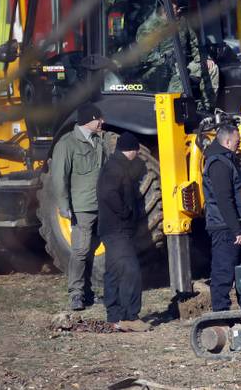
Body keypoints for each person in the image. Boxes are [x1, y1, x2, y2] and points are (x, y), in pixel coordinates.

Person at [50, 104, 106, 311]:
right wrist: (64, 205)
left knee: (91, 249)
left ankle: (88, 293)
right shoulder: (66, 144)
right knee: (80, 250)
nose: (102, 122)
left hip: (100, 205)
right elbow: (59, 178)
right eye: (99, 118)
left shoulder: (99, 142)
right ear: (88, 120)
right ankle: (75, 294)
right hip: (81, 207)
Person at [97, 132, 150, 332]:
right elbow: (108, 194)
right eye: (136, 150)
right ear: (132, 150)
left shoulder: (117, 166)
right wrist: (126, 212)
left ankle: (114, 317)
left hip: (113, 230)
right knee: (131, 271)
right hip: (117, 229)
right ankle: (129, 317)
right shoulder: (115, 168)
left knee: (113, 272)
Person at [202, 123, 241, 312]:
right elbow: (224, 199)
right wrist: (236, 230)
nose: (239, 145)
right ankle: (220, 312)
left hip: (235, 224)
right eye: (237, 141)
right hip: (224, 227)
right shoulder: (219, 164)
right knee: (223, 270)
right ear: (227, 141)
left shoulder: (228, 160)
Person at [136, 0, 219, 109]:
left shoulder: (182, 21)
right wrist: (163, 59)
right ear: (165, 11)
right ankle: (176, 111)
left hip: (182, 64)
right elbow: (144, 56)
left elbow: (194, 44)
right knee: (180, 74)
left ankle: (206, 108)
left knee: (211, 69)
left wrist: (204, 59)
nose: (179, 10)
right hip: (158, 69)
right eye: (176, 9)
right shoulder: (148, 28)